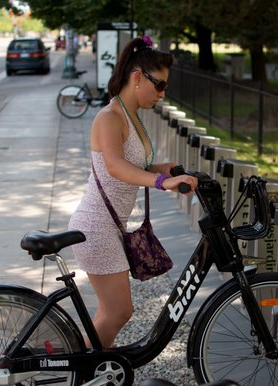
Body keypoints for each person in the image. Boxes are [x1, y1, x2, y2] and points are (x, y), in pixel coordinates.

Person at [68, 36, 198, 349]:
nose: (162, 94)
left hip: (109, 227)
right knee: (119, 312)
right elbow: (115, 166)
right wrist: (160, 182)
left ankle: (97, 368)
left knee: (109, 314)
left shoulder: (132, 117)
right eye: (160, 85)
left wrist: (169, 169)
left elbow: (136, 164)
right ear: (137, 77)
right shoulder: (110, 117)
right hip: (95, 228)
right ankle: (79, 368)